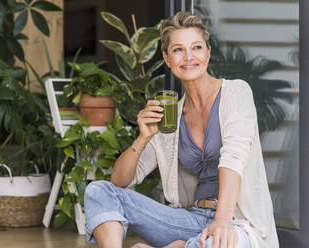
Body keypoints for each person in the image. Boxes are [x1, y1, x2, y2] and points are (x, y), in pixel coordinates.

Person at [84, 11, 279, 248]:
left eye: (196, 47)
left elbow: (234, 158)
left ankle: (182, 245)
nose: (188, 57)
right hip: (192, 219)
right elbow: (120, 182)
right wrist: (143, 138)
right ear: (167, 58)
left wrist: (222, 221)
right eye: (178, 50)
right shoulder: (170, 117)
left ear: (208, 52)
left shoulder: (236, 92)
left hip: (237, 222)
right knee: (99, 191)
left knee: (215, 243)